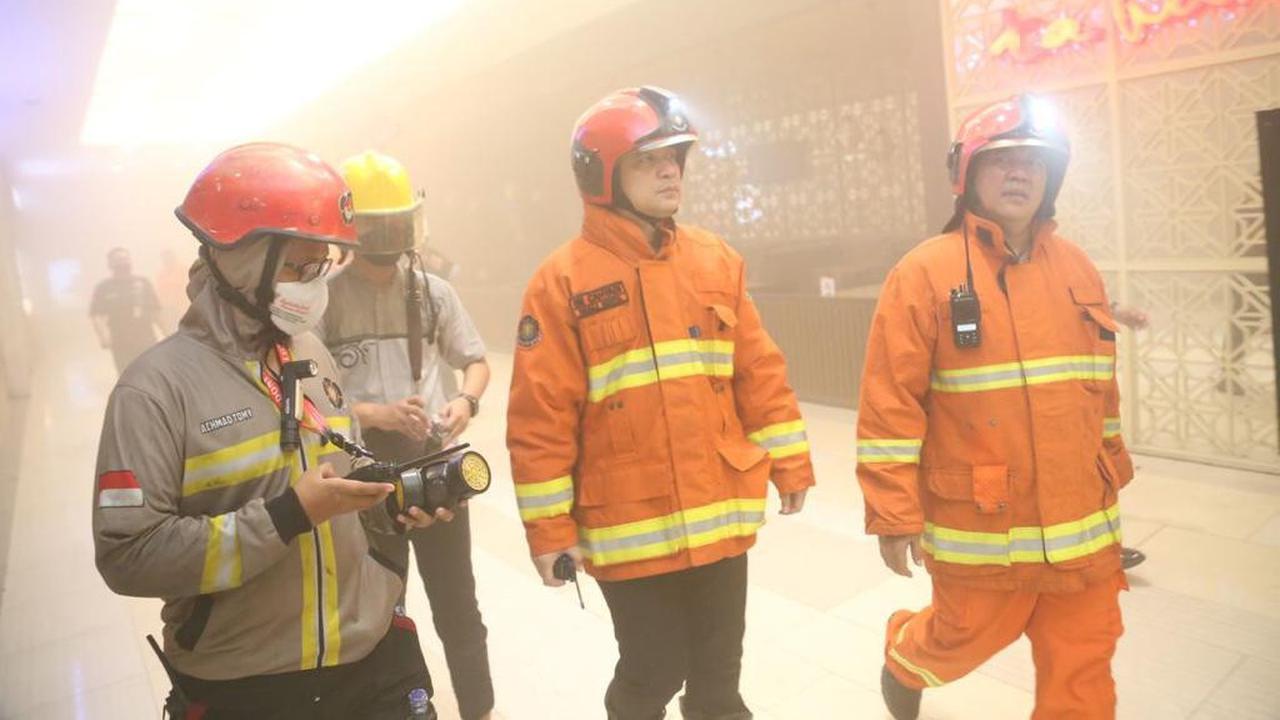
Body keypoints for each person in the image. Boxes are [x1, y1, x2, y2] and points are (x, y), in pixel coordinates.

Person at [92, 143, 450, 719]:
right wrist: (285, 516)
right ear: (239, 259)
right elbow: (129, 556)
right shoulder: (153, 392)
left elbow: (342, 482)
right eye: (295, 268)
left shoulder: (309, 353)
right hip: (250, 685)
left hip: (373, 657)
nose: (312, 285)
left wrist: (387, 505)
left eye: (320, 267)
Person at [507, 86, 816, 720]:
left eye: (675, 156)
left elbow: (758, 371)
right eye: (649, 159)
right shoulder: (561, 280)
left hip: (719, 512)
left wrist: (791, 460)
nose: (670, 169)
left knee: (719, 681)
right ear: (602, 174)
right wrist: (550, 531)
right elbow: (541, 419)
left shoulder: (715, 259)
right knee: (652, 674)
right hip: (629, 527)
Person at [855, 94, 1134, 720]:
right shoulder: (923, 274)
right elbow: (889, 404)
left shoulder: (1077, 268)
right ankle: (904, 657)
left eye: (1035, 162)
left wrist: (1112, 467)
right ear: (967, 174)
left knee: (1083, 663)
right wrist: (893, 511)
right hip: (982, 525)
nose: (1020, 173)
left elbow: (1101, 390)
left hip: (1082, 526)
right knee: (959, 639)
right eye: (1003, 159)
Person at [322, 150, 496, 720]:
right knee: (380, 608)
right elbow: (311, 404)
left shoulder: (432, 292)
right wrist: (375, 414)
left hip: (435, 468)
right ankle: (399, 707)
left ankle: (480, 709)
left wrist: (464, 402)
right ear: (353, 227)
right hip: (368, 480)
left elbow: (475, 360)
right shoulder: (324, 304)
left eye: (398, 222)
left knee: (458, 607)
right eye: (376, 224)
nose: (389, 235)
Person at [90, 246, 164, 374]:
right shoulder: (104, 288)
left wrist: (167, 332)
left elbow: (155, 311)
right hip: (121, 342)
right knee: (128, 375)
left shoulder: (142, 283)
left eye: (125, 259)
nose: (123, 262)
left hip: (146, 339)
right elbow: (96, 315)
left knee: (154, 373)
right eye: (118, 260)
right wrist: (103, 336)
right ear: (111, 264)